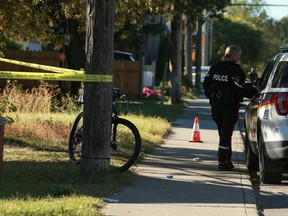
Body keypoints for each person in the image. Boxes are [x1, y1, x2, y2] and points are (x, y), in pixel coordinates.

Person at [203, 45, 256, 171]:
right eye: (238, 55)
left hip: (216, 106)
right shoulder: (236, 70)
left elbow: (206, 84)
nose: (239, 58)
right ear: (232, 55)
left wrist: (211, 96)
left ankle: (227, 160)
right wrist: (254, 93)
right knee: (226, 134)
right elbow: (239, 88)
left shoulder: (214, 68)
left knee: (223, 133)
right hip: (230, 106)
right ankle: (222, 161)